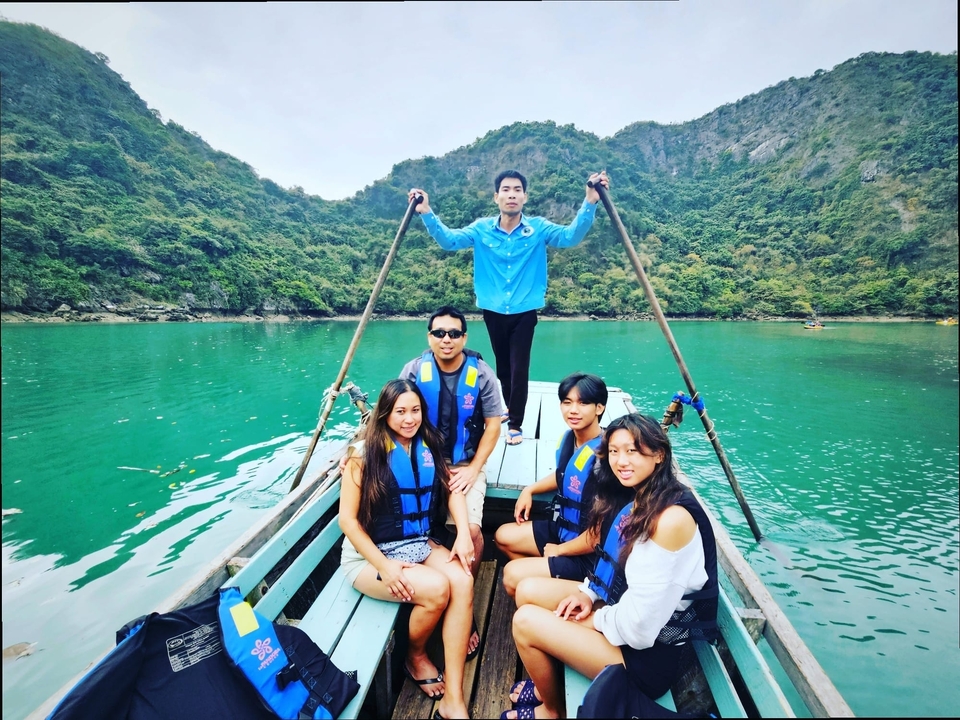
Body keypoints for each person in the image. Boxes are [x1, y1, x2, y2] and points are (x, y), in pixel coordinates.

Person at [500, 414, 719, 720]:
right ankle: (547, 687)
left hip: (646, 659)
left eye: (632, 450)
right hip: (622, 614)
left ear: (659, 454)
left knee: (525, 622)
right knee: (528, 591)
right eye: (614, 451)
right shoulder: (642, 496)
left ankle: (553, 711)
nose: (621, 461)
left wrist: (593, 618)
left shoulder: (670, 520)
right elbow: (613, 563)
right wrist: (588, 595)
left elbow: (639, 631)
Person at [408, 170, 610, 446]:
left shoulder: (537, 228)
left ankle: (515, 423)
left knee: (518, 368)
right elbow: (449, 240)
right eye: (506, 189)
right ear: (496, 196)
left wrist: (590, 201)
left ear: (525, 196)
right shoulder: (481, 229)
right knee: (503, 368)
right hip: (493, 311)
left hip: (524, 312)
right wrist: (426, 211)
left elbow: (570, 237)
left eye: (517, 189)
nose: (511, 194)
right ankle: (508, 409)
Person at [339, 379, 474, 719]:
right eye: (400, 412)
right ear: (385, 413)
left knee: (463, 580)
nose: (409, 419)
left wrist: (462, 534)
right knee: (438, 589)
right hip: (369, 556)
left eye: (415, 410)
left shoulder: (427, 444)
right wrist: (383, 565)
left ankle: (454, 697)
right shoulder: (361, 455)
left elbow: (454, 489)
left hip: (417, 543)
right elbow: (348, 522)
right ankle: (414, 655)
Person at [494, 373, 632, 598]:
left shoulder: (608, 457)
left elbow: (599, 535)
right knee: (503, 536)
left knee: (511, 577)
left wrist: (557, 552)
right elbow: (564, 475)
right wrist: (530, 490)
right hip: (565, 531)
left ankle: (550, 590)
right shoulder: (570, 439)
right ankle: (549, 586)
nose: (573, 410)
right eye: (567, 402)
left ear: (599, 408)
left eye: (583, 403)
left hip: (589, 555)